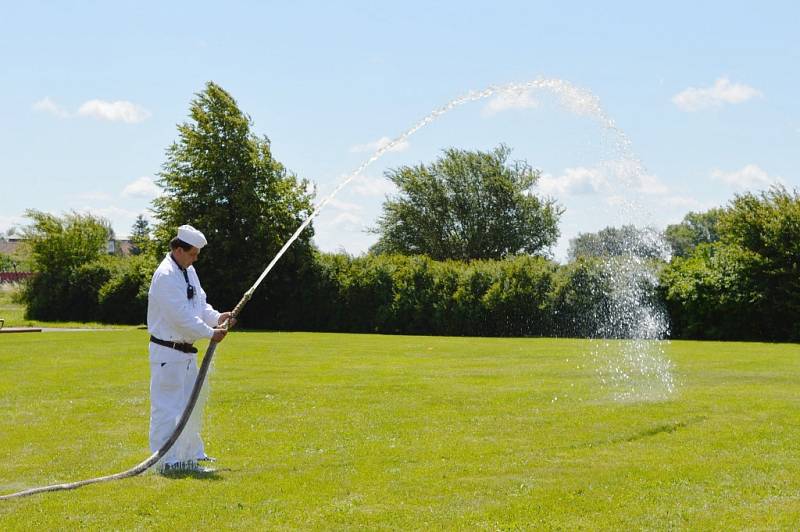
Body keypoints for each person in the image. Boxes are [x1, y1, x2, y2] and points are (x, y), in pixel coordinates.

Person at [147, 224, 234, 473]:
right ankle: (165, 461)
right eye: (193, 253)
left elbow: (200, 306)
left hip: (185, 353)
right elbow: (181, 317)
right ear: (177, 249)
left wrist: (218, 318)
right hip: (168, 351)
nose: (196, 258)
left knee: (190, 404)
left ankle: (191, 453)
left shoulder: (188, 270)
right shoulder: (165, 276)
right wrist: (210, 333)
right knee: (167, 408)